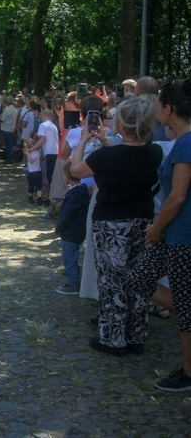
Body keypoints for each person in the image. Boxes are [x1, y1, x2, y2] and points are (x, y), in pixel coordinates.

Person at [71, 97, 162, 356]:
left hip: (111, 223)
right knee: (138, 278)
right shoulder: (154, 152)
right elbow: (128, 157)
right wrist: (104, 141)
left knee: (112, 280)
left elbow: (76, 171)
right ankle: (135, 334)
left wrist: (85, 141)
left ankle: (112, 337)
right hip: (143, 221)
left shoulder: (107, 156)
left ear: (121, 124)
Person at [128, 80, 191, 391]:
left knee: (180, 300)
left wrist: (156, 228)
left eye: (159, 105)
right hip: (173, 233)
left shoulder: (186, 144)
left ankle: (189, 370)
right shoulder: (181, 140)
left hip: (180, 234)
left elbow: (177, 197)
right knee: (140, 277)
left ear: (169, 109)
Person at [54, 162, 89, 295]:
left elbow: (67, 214)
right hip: (79, 229)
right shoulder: (83, 191)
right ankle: (74, 276)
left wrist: (59, 228)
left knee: (69, 256)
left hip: (70, 231)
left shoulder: (73, 194)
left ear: (67, 177)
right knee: (73, 255)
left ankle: (73, 283)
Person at [23, 138, 43, 205]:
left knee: (36, 186)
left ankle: (36, 198)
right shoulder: (35, 152)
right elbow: (26, 160)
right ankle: (33, 197)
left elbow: (31, 161)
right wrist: (26, 154)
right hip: (35, 171)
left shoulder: (35, 153)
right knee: (34, 185)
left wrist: (28, 154)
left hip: (35, 172)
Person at [0, 96, 18, 164]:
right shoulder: (14, 109)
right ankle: (10, 158)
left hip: (6, 129)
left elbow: (2, 119)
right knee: (10, 144)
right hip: (11, 128)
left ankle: (9, 159)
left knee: (8, 145)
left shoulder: (7, 110)